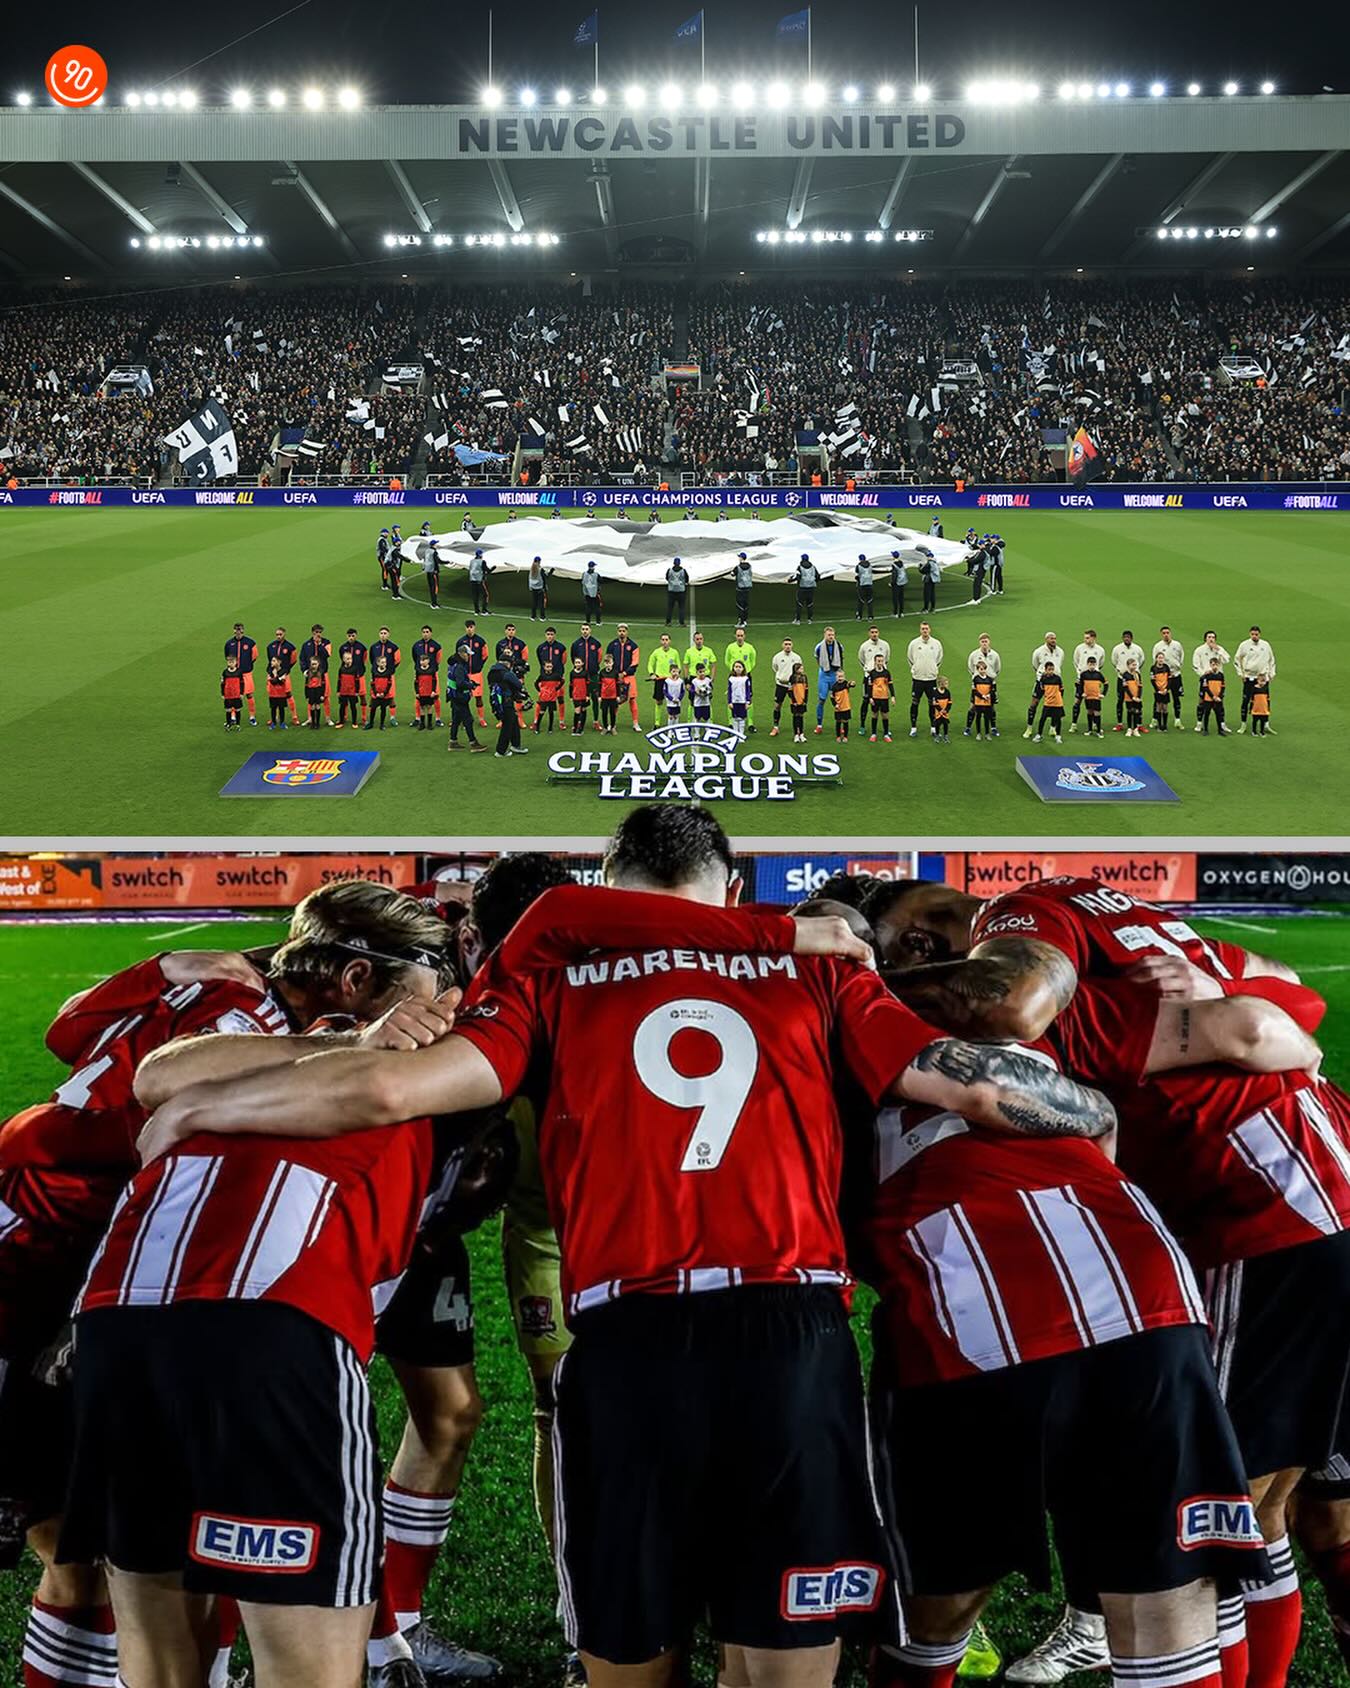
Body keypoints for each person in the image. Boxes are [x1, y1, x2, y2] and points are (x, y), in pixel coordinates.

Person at [133, 806, 1120, 1688]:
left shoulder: (555, 968)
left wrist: (202, 1101)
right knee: (784, 1657)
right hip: (790, 1338)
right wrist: (1094, 1111)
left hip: (625, 1343)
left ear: (610, 894)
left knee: (623, 1652)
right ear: (731, 891)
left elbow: (390, 1089)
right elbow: (977, 1088)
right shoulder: (816, 963)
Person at [0, 886, 454, 1688]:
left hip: (96, 1284)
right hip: (57, 1270)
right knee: (80, 1563)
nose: (442, 996)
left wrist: (162, 968)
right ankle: (378, 1645)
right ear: (354, 979)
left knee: (102, 1562)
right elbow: (155, 1090)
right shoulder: (282, 1029)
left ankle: (367, 1642)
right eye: (432, 977)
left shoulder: (216, 995)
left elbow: (79, 1035)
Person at [865, 913, 1313, 1688]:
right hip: (1128, 1286)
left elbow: (1268, 1018)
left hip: (983, 1308)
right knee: (1160, 1584)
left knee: (942, 1599)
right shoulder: (859, 1004)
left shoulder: (826, 1005)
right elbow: (1261, 1023)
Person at [1236, 626, 1277, 734]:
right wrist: (1241, 674)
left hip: (1262, 678)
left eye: (1256, 634)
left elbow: (1271, 660)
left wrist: (1271, 673)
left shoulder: (1265, 645)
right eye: (1253, 634)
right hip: (1249, 677)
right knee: (1246, 701)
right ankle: (1243, 724)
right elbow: (1237, 659)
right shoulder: (1244, 645)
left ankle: (1266, 724)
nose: (1254, 636)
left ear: (1260, 634)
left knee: (1264, 701)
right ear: (1250, 634)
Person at [446, 644, 487, 752]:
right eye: (467, 654)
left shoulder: (452, 664)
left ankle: (453, 742)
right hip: (460, 697)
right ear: (461, 654)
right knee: (468, 720)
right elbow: (460, 683)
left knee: (456, 720)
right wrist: (471, 685)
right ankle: (473, 743)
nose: (468, 656)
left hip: (453, 696)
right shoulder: (459, 667)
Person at [906, 622, 943, 738]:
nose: (925, 631)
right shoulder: (914, 643)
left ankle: (933, 727)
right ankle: (913, 727)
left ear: (930, 630)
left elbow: (939, 659)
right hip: (918, 678)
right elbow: (910, 658)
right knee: (915, 703)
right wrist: (916, 668)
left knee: (932, 703)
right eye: (923, 629)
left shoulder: (936, 643)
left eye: (926, 629)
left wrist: (933, 669)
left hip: (931, 679)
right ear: (920, 630)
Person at [488, 658, 529, 758]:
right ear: (507, 663)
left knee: (514, 720)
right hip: (506, 701)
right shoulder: (506, 673)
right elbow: (518, 685)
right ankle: (500, 751)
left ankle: (515, 745)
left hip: (496, 701)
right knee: (507, 725)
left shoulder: (491, 672)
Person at [1192, 631, 1231, 731]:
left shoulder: (1219, 649)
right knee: (1201, 701)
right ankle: (1199, 723)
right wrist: (1203, 674)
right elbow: (1195, 665)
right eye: (1209, 637)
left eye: (1213, 637)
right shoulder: (1199, 650)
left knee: (1220, 701)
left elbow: (1227, 660)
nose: (1211, 639)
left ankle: (1222, 724)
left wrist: (1218, 650)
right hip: (1205, 679)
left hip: (1218, 679)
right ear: (1205, 639)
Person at [1069, 630, 1106, 733]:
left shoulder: (1100, 650)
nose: (1085, 640)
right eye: (1085, 637)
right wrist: (1080, 673)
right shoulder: (1079, 648)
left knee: (1094, 702)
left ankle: (1094, 724)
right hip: (1082, 679)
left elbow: (1101, 663)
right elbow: (1075, 661)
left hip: (1094, 681)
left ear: (1094, 638)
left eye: (1087, 638)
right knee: (1077, 701)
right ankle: (1074, 724)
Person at [857, 626, 891, 736]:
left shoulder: (885, 645)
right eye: (872, 632)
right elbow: (861, 660)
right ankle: (862, 725)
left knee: (882, 701)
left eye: (876, 632)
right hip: (868, 677)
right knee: (866, 700)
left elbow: (887, 659)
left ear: (878, 632)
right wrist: (869, 668)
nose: (874, 634)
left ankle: (885, 729)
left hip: (881, 678)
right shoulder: (864, 646)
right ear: (869, 633)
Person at [534, 626, 569, 733]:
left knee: (560, 699)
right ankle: (536, 721)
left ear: (555, 635)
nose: (550, 636)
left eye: (552, 634)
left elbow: (564, 661)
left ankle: (561, 721)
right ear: (545, 635)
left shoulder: (561, 647)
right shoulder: (540, 648)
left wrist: (559, 673)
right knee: (541, 700)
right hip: (545, 678)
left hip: (557, 677)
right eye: (548, 634)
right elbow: (541, 661)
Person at [608, 625, 642, 732]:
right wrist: (616, 673)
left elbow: (635, 663)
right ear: (617, 632)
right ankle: (612, 724)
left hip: (629, 677)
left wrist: (625, 673)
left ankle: (635, 723)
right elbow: (608, 660)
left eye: (623, 631)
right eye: (620, 631)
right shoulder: (612, 645)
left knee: (632, 699)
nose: (621, 633)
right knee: (615, 700)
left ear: (627, 632)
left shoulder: (633, 646)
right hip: (616, 677)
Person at [225, 622, 259, 726]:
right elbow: (227, 656)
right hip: (234, 674)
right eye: (236, 629)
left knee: (249, 694)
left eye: (240, 629)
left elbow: (255, 656)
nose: (238, 631)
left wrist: (247, 665)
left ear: (243, 630)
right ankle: (233, 716)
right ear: (234, 630)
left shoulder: (250, 643)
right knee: (233, 696)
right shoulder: (229, 643)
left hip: (246, 673)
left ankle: (252, 716)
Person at [723, 628, 757, 731]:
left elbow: (753, 660)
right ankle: (731, 723)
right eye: (738, 636)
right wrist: (734, 670)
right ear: (735, 636)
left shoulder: (750, 648)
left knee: (748, 697)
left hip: (746, 676)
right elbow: (727, 660)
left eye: (741, 636)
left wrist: (746, 671)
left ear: (744, 636)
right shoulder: (730, 647)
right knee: (732, 697)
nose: (740, 638)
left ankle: (750, 723)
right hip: (733, 676)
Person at [1110, 630, 1144, 731]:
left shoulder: (1137, 649)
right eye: (1125, 637)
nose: (1126, 639)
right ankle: (1119, 723)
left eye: (1128, 637)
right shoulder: (1117, 649)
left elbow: (1142, 661)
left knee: (1137, 700)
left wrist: (1135, 671)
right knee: (1120, 700)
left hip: (1135, 679)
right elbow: (1114, 661)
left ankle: (1139, 725)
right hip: (1122, 678)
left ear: (1131, 638)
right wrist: (1120, 670)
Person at [267, 627, 301, 726]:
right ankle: (274, 718)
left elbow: (293, 660)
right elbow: (270, 660)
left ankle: (294, 717)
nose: (278, 636)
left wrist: (285, 670)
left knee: (288, 694)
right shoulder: (270, 646)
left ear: (284, 634)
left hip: (284, 674)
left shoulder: (290, 647)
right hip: (272, 673)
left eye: (280, 634)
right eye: (277, 634)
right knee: (273, 695)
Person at [647, 634, 682, 728]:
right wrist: (652, 674)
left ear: (669, 641)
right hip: (659, 680)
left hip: (671, 681)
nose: (664, 642)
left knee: (672, 701)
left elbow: (678, 666)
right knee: (659, 701)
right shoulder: (656, 652)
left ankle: (672, 722)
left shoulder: (674, 652)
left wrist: (676, 675)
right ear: (660, 641)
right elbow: (650, 664)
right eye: (663, 640)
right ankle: (657, 723)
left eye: (666, 639)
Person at [1153, 625, 1186, 726]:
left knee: (1176, 697)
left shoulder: (1177, 645)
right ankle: (1155, 719)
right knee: (1158, 698)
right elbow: (1155, 660)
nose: (1166, 635)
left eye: (1167, 633)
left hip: (1175, 675)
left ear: (1170, 633)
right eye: (1164, 633)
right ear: (1161, 634)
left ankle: (1177, 719)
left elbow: (1181, 656)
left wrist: (1177, 667)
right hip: (1163, 677)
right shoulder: (1158, 646)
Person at [813, 627, 844, 734]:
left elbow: (841, 658)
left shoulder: (839, 646)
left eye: (832, 635)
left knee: (838, 700)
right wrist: (825, 667)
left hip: (834, 675)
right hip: (824, 675)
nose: (831, 637)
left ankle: (840, 724)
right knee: (822, 700)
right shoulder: (819, 647)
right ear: (824, 635)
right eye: (829, 635)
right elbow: (817, 658)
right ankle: (819, 725)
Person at [412, 626, 443, 728]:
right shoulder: (416, 645)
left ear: (431, 633)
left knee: (435, 696)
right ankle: (418, 719)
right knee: (418, 697)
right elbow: (414, 658)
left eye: (427, 632)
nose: (425, 634)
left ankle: (438, 719)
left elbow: (438, 659)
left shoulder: (436, 646)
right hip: (420, 675)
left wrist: (433, 668)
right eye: (423, 632)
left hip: (432, 674)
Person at [370, 628, 401, 728]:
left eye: (385, 633)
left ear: (388, 635)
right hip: (376, 675)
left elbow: (397, 660)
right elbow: (372, 659)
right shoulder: (374, 647)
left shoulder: (393, 647)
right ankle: (370, 720)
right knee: (374, 696)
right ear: (379, 634)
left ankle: (392, 717)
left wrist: (390, 669)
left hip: (388, 675)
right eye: (381, 633)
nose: (383, 635)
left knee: (390, 697)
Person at [1029, 662, 1066, 743]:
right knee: (1042, 719)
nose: (1051, 671)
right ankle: (1039, 735)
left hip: (1057, 703)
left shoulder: (1057, 678)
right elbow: (1042, 690)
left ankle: (1058, 736)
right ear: (1045, 670)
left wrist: (1060, 698)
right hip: (1048, 702)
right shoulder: (1043, 679)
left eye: (1052, 669)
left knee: (1058, 719)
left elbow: (1062, 689)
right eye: (1049, 670)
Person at [768, 638, 798, 736]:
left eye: (789, 644)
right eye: (786, 644)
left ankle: (797, 728)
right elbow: (775, 668)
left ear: (792, 645)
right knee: (777, 706)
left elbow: (799, 670)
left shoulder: (797, 657)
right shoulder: (777, 657)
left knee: (796, 706)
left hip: (792, 685)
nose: (787, 646)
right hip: (781, 685)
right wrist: (781, 677)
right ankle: (776, 727)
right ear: (782, 645)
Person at [462, 620, 489, 728]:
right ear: (465, 628)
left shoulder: (480, 641)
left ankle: (481, 719)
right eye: (467, 627)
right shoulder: (461, 641)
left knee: (478, 697)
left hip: (476, 673)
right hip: (464, 674)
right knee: (463, 697)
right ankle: (462, 718)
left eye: (471, 627)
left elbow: (485, 655)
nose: (469, 629)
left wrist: (479, 666)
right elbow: (458, 655)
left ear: (474, 627)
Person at [1075, 658, 1107, 739]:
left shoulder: (1099, 674)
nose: (1092, 666)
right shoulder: (1083, 674)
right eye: (1090, 664)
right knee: (1089, 712)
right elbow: (1079, 685)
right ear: (1087, 664)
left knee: (1097, 713)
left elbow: (1106, 683)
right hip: (1088, 697)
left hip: (1096, 697)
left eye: (1093, 664)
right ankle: (1089, 730)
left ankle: (1098, 731)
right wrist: (1082, 693)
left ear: (1096, 665)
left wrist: (1103, 694)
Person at [866, 656, 894, 744]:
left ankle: (886, 734)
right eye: (878, 661)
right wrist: (870, 697)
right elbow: (869, 686)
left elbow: (890, 685)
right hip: (875, 697)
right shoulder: (872, 673)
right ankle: (874, 734)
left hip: (884, 697)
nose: (880, 663)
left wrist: (893, 696)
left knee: (885, 715)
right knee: (874, 715)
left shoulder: (887, 673)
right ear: (875, 662)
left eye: (881, 661)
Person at [968, 661, 996, 740]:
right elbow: (974, 691)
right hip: (978, 701)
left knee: (987, 717)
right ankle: (978, 733)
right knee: (978, 717)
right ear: (977, 670)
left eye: (984, 669)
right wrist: (982, 696)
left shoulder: (989, 679)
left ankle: (987, 733)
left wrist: (988, 695)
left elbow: (992, 689)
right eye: (981, 669)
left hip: (987, 701)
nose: (982, 671)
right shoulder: (975, 679)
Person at [1198, 660, 1227, 736]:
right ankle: (1205, 730)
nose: (1215, 666)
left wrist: (1219, 697)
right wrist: (1213, 696)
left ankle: (1220, 730)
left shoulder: (1221, 675)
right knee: (1206, 713)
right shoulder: (1207, 675)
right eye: (1213, 664)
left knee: (1219, 714)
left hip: (1218, 699)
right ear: (1210, 665)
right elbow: (1205, 687)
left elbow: (1223, 687)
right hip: (1208, 698)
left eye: (1216, 664)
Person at [368, 656, 395, 729]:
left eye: (385, 662)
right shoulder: (374, 671)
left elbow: (389, 684)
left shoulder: (388, 672)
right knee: (373, 709)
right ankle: (370, 723)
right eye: (382, 662)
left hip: (384, 695)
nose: (384, 664)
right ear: (378, 663)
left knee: (383, 709)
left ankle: (382, 724)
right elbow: (372, 683)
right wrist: (376, 693)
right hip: (376, 695)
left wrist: (384, 693)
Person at [413, 655, 439, 731]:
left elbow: (434, 681)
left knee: (429, 707)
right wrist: (417, 692)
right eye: (421, 660)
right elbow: (416, 682)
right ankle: (422, 724)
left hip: (429, 692)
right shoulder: (418, 670)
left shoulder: (432, 670)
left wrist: (433, 691)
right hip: (421, 692)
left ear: (428, 661)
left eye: (424, 660)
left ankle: (429, 723)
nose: (422, 662)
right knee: (422, 707)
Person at [266, 656, 292, 729]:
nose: (272, 662)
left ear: (279, 662)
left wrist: (275, 676)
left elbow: (282, 682)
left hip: (281, 694)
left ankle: (282, 723)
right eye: (271, 661)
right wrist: (278, 678)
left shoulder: (284, 671)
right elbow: (272, 682)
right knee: (273, 709)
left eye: (274, 661)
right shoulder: (269, 671)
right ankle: (273, 722)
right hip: (273, 693)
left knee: (281, 709)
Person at [727, 660, 752, 737]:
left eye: (740, 667)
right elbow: (729, 691)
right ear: (733, 668)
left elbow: (748, 690)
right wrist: (729, 702)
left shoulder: (745, 679)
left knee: (742, 718)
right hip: (734, 701)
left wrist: (748, 701)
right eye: (736, 667)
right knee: (734, 718)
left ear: (743, 668)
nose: (738, 669)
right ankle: (735, 734)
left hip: (742, 701)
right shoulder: (731, 679)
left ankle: (741, 734)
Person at [793, 554, 818, 625]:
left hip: (802, 588)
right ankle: (810, 620)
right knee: (810, 604)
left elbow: (798, 577)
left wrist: (791, 580)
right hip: (811, 588)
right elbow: (818, 576)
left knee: (799, 604)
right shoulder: (813, 567)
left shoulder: (800, 567)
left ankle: (798, 620)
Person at [787, 661, 809, 743]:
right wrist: (793, 700)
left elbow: (806, 689)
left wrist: (805, 700)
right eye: (801, 668)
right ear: (796, 669)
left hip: (802, 701)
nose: (802, 669)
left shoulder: (804, 677)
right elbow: (790, 690)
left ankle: (802, 734)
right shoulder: (792, 678)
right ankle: (796, 734)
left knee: (801, 717)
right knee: (795, 717)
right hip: (795, 701)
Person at [1150, 656, 1174, 732]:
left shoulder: (1166, 667)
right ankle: (1159, 725)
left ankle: (1165, 725)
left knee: (1165, 708)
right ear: (1156, 659)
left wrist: (1167, 689)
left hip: (1165, 690)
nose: (1161, 659)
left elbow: (1170, 679)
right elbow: (1153, 681)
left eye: (1162, 658)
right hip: (1158, 691)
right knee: (1159, 707)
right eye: (1159, 658)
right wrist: (1158, 690)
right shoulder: (1153, 668)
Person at [664, 557, 689, 627]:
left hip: (671, 591)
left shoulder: (670, 570)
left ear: (674, 563)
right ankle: (681, 623)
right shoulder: (683, 571)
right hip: (681, 591)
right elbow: (687, 580)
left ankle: (668, 622)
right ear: (679, 563)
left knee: (670, 608)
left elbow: (666, 578)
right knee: (681, 608)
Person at [221, 657, 244, 730]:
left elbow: (242, 683)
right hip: (228, 695)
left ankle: (238, 724)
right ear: (227, 663)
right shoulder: (225, 672)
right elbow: (222, 683)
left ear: (236, 662)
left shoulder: (239, 672)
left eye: (232, 662)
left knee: (237, 710)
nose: (231, 663)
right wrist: (222, 694)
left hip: (237, 695)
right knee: (228, 711)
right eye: (229, 662)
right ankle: (228, 724)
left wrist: (242, 693)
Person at [599, 656, 621, 734]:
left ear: (612, 663)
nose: (608, 664)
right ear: (604, 663)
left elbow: (618, 685)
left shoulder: (615, 673)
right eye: (607, 663)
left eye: (610, 663)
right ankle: (605, 727)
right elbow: (599, 685)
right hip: (604, 696)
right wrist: (599, 696)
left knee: (612, 713)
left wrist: (618, 696)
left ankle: (613, 727)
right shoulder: (601, 672)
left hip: (613, 696)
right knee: (604, 712)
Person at [569, 658, 591, 735]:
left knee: (583, 710)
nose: (577, 664)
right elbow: (571, 685)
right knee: (577, 711)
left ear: (582, 663)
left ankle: (581, 727)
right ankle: (575, 727)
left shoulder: (585, 673)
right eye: (576, 662)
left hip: (584, 695)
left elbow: (588, 684)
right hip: (576, 695)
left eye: (579, 662)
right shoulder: (572, 673)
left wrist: (588, 695)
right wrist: (570, 696)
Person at [1123, 658, 1144, 737]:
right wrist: (1132, 697)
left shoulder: (1137, 674)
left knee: (1136, 712)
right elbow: (1125, 688)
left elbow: (1140, 686)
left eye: (1135, 665)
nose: (1135, 666)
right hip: (1129, 697)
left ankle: (1135, 728)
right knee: (1130, 712)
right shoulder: (1125, 675)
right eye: (1133, 665)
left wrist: (1138, 696)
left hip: (1136, 697)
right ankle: (1129, 728)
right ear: (1128, 666)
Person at [468, 548, 492, 615]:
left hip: (472, 580)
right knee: (485, 595)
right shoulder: (482, 561)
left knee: (475, 596)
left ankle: (476, 611)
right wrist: (493, 568)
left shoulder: (472, 561)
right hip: (479, 581)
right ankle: (484, 610)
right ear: (480, 554)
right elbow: (487, 570)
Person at [831, 669, 853, 740]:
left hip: (846, 707)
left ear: (844, 677)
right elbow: (832, 697)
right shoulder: (834, 687)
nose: (840, 678)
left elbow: (850, 685)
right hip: (838, 708)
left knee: (845, 722)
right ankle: (838, 736)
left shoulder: (845, 684)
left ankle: (845, 737)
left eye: (842, 677)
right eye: (839, 677)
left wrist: (852, 683)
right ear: (836, 677)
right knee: (838, 722)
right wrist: (835, 705)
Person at [303, 660, 326, 729]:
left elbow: (323, 684)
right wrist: (306, 695)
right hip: (311, 691)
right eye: (312, 664)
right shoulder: (308, 673)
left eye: (315, 664)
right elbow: (306, 685)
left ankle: (318, 723)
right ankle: (313, 723)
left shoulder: (321, 672)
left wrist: (322, 694)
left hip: (318, 691)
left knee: (318, 706)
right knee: (312, 706)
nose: (314, 666)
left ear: (318, 664)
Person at [732, 552, 753, 625]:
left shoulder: (737, 567)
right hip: (747, 588)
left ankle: (741, 621)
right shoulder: (750, 566)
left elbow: (732, 574)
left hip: (740, 589)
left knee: (740, 605)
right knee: (745, 605)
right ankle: (745, 620)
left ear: (741, 558)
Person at [528, 556, 551, 621]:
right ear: (539, 561)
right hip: (540, 588)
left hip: (533, 588)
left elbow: (529, 579)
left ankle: (533, 616)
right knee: (541, 603)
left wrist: (530, 587)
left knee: (534, 603)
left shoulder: (531, 569)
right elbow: (546, 577)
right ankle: (542, 617)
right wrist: (552, 571)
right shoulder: (540, 570)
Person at [917, 548, 939, 613]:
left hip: (928, 579)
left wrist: (919, 567)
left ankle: (925, 608)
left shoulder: (929, 563)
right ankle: (933, 608)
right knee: (932, 594)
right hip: (933, 580)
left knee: (927, 594)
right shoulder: (935, 563)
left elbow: (922, 571)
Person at [581, 561, 603, 626]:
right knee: (597, 608)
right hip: (594, 593)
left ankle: (588, 621)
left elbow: (583, 582)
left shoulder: (584, 574)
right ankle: (598, 622)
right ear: (593, 567)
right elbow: (601, 581)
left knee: (588, 607)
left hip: (587, 593)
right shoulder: (596, 574)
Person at [854, 554, 875, 621]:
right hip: (870, 584)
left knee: (861, 601)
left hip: (862, 585)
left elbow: (857, 575)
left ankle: (859, 616)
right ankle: (870, 616)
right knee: (870, 601)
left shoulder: (858, 566)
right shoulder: (870, 565)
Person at [931, 676, 952, 743]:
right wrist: (941, 710)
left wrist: (946, 710)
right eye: (946, 683)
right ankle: (937, 735)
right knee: (938, 724)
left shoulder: (947, 692)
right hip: (938, 712)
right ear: (941, 684)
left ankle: (945, 736)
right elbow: (935, 703)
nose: (947, 685)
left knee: (945, 723)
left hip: (945, 712)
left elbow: (949, 702)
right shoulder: (935, 692)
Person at [889, 552, 907, 619]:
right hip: (902, 582)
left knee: (895, 599)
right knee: (901, 598)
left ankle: (895, 613)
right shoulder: (901, 563)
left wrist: (892, 583)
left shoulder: (894, 564)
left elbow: (894, 575)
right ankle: (901, 612)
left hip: (896, 583)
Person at [387, 536, 404, 601]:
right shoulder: (394, 550)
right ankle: (395, 595)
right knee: (395, 581)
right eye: (398, 542)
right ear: (395, 542)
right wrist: (409, 560)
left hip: (392, 566)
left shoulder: (394, 548)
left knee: (395, 580)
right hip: (392, 567)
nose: (399, 542)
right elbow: (400, 556)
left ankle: (396, 594)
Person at [377, 527, 392, 592]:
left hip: (384, 557)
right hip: (382, 557)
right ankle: (384, 585)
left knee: (386, 570)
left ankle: (386, 584)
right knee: (385, 570)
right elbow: (382, 549)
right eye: (386, 533)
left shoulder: (383, 539)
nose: (387, 534)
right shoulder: (381, 540)